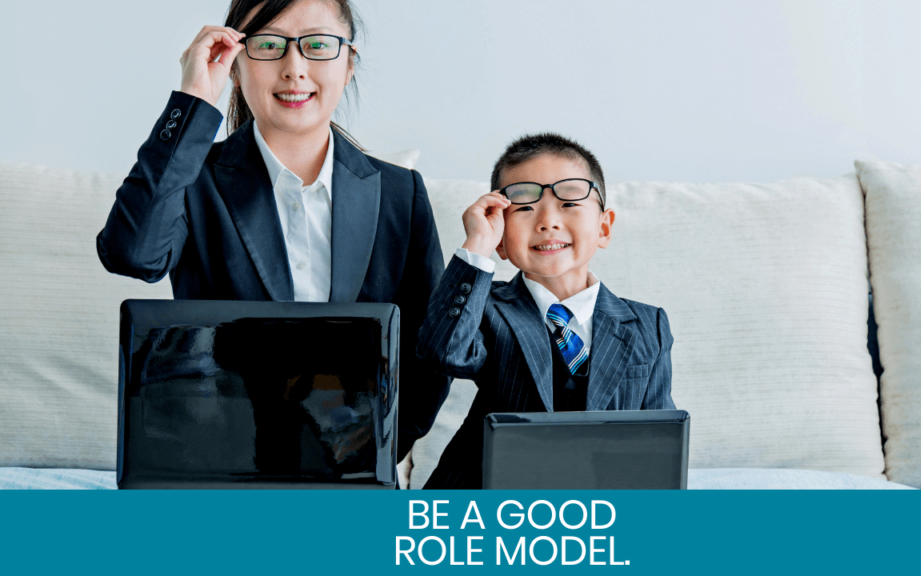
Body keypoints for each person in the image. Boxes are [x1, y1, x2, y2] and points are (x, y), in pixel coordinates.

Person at [96, 0, 449, 459]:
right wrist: (193, 102)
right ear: (235, 67)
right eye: (267, 44)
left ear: (349, 66)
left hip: (351, 470)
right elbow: (130, 253)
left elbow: (430, 352)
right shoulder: (193, 180)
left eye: (318, 45)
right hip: (217, 467)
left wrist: (376, 451)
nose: (294, 68)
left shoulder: (402, 193)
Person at [417, 133, 675, 489]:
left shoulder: (649, 325)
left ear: (603, 226)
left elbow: (659, 439)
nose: (547, 221)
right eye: (524, 207)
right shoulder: (487, 307)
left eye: (569, 203)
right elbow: (442, 351)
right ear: (503, 242)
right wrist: (478, 244)